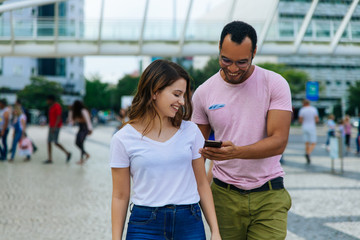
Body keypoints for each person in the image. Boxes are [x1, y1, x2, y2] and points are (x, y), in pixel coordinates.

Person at [191, 21, 292, 240]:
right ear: (219, 47)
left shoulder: (274, 83)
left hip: (269, 195)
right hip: (223, 196)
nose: (233, 68)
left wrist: (236, 152)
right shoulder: (203, 93)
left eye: (242, 62)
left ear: (254, 52)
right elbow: (194, 150)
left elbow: (279, 141)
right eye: (226, 60)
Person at [110, 59, 221, 240]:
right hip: (144, 226)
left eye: (184, 95)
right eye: (177, 94)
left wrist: (215, 231)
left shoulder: (191, 131)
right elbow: (120, 196)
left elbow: (202, 184)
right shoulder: (123, 139)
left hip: (189, 223)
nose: (182, 101)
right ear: (155, 92)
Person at [43, 95, 71, 164]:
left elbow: (59, 117)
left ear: (51, 100)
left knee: (55, 142)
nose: (47, 101)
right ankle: (50, 158)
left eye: (48, 100)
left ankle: (67, 153)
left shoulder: (57, 106)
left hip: (56, 127)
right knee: (49, 142)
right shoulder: (51, 107)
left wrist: (55, 127)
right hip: (51, 126)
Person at [68, 100, 93, 165]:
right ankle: (86, 154)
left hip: (85, 128)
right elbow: (72, 122)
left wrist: (90, 129)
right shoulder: (76, 112)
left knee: (81, 142)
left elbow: (88, 120)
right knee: (77, 142)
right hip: (81, 128)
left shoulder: (83, 111)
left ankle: (81, 159)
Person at [298, 99, 319, 164]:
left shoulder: (302, 110)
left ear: (303, 103)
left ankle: (308, 155)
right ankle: (308, 153)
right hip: (312, 127)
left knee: (306, 142)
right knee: (313, 142)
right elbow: (317, 119)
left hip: (304, 126)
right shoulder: (314, 109)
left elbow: (300, 120)